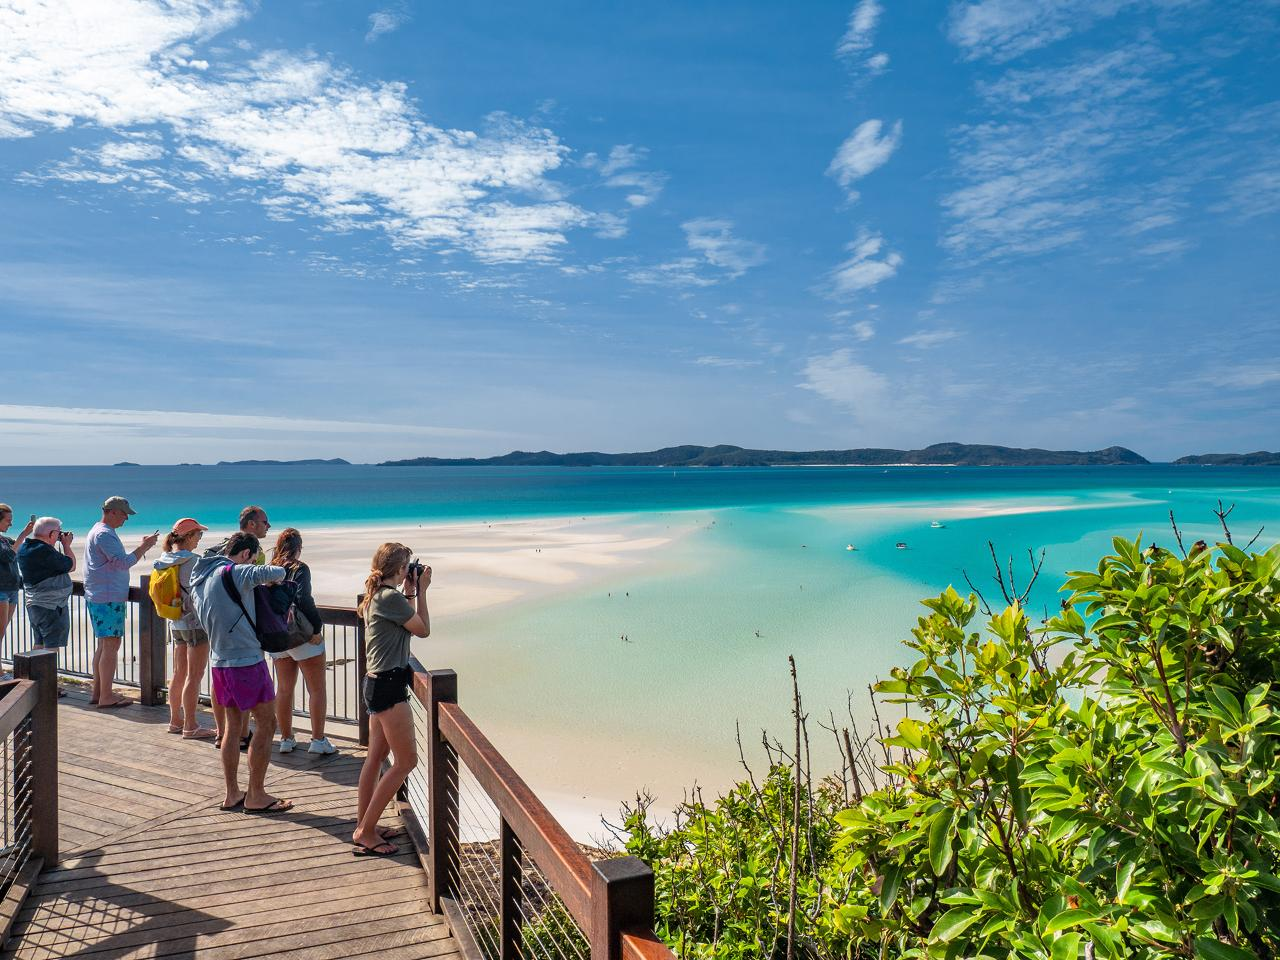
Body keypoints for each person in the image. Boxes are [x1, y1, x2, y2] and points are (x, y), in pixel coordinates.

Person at [189, 532, 293, 813]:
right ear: (246, 554)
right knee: (267, 724)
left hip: (219, 661)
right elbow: (278, 570)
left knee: (233, 729)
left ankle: (232, 793)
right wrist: (266, 574)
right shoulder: (234, 573)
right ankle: (256, 795)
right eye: (255, 556)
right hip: (246, 661)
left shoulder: (200, 579)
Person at [352, 543, 431, 856]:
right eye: (408, 567)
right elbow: (423, 629)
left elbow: (403, 622)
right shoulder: (391, 597)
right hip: (389, 687)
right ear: (399, 570)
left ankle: (365, 822)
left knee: (375, 757)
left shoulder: (379, 596)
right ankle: (365, 831)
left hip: (375, 683)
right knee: (406, 761)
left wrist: (410, 591)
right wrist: (422, 590)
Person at [84, 496, 158, 709]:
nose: (126, 518)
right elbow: (122, 563)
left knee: (104, 644)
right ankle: (106, 696)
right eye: (124, 513)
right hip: (108, 596)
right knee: (111, 644)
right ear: (112, 511)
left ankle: (98, 692)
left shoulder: (98, 530)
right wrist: (144, 547)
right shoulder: (104, 534)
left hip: (100, 594)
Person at [268, 528, 335, 755]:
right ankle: (318, 740)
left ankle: (286, 738)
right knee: (317, 689)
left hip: (277, 635)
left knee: (284, 689)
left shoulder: (269, 570)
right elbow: (304, 599)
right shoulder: (299, 568)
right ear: (298, 548)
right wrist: (316, 628)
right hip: (300, 635)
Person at [154, 518, 218, 739]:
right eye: (198, 535)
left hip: (176, 621)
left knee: (179, 673)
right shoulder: (193, 561)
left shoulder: (164, 559)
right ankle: (191, 725)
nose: (200, 539)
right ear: (189, 536)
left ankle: (175, 721)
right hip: (195, 623)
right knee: (195, 675)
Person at [16, 517, 75, 652]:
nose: (60, 536)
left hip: (36, 604)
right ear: (51, 533)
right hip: (51, 606)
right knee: (50, 650)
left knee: (39, 645)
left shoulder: (26, 547)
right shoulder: (45, 552)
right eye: (58, 533)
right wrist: (66, 545)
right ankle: (46, 673)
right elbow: (71, 565)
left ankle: (35, 673)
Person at [0, 505, 34, 642]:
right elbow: (8, 556)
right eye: (8, 520)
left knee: (1, 634)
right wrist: (24, 534)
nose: (11, 524)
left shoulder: (5, 540)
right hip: (1, 590)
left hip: (12, 589)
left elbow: (22, 549)